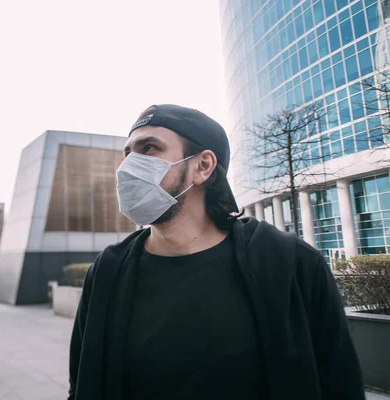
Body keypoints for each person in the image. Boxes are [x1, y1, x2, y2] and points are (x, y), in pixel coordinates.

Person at [68, 104, 365, 400]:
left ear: (203, 166)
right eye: (128, 153)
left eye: (149, 148)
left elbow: (340, 385)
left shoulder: (290, 264)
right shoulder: (108, 270)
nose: (127, 167)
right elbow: (81, 382)